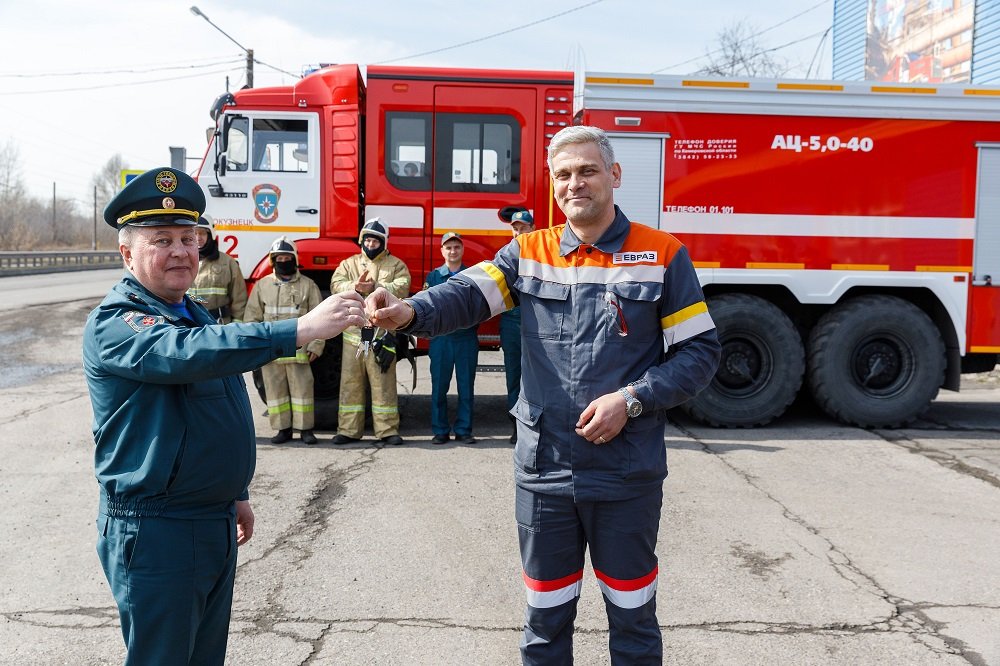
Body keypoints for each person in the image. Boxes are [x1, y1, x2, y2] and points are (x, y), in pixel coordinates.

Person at [366, 126, 722, 664]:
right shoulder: (526, 253)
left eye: (587, 170)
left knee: (633, 621)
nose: (574, 183)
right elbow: (464, 295)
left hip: (625, 476)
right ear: (552, 185)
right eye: (563, 175)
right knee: (544, 624)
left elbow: (700, 354)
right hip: (544, 473)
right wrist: (410, 310)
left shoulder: (663, 255)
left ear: (615, 176)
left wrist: (631, 400)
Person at [83, 167, 368, 665]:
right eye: (162, 240)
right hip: (158, 528)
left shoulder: (190, 313)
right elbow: (189, 353)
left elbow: (215, 397)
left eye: (189, 238)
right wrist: (296, 329)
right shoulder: (118, 322)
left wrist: (234, 494)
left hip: (209, 520)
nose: (181, 251)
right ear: (127, 253)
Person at [330, 217, 412, 446]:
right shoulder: (349, 264)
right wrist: (354, 286)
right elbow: (335, 284)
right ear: (361, 240)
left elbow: (404, 286)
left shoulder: (396, 265)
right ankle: (348, 430)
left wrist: (376, 287)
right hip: (354, 335)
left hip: (381, 336)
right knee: (350, 383)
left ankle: (387, 430)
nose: (371, 244)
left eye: (375, 241)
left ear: (384, 242)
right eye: (367, 240)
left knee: (383, 382)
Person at [243, 237, 325, 445]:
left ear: (295, 259)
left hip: (300, 352)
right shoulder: (263, 286)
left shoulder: (308, 285)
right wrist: (255, 345)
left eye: (287, 257)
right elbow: (252, 317)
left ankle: (306, 430)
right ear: (272, 261)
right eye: (279, 257)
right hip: (271, 353)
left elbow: (320, 318)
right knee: (275, 392)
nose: (283, 261)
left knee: (303, 392)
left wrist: (316, 345)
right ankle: (283, 430)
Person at [424, 232, 478, 445]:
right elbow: (427, 307)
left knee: (466, 387)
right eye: (448, 247)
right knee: (439, 388)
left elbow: (478, 307)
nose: (453, 251)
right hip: (441, 340)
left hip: (465, 339)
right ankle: (440, 430)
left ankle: (464, 430)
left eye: (456, 247)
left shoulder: (472, 275)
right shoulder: (434, 277)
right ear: (442, 251)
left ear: (462, 250)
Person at [497, 208, 535, 444]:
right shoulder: (505, 255)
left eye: (523, 227)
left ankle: (532, 424)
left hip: (536, 326)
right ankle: (516, 426)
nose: (518, 232)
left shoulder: (542, 255)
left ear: (532, 229)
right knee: (513, 376)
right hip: (511, 323)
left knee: (536, 378)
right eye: (515, 228)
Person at [187, 213, 248, 323]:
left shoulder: (228, 263)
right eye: (194, 233)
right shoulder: (182, 262)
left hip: (220, 325)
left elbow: (239, 301)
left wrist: (235, 329)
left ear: (211, 235)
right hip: (190, 324)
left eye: (202, 233)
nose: (198, 238)